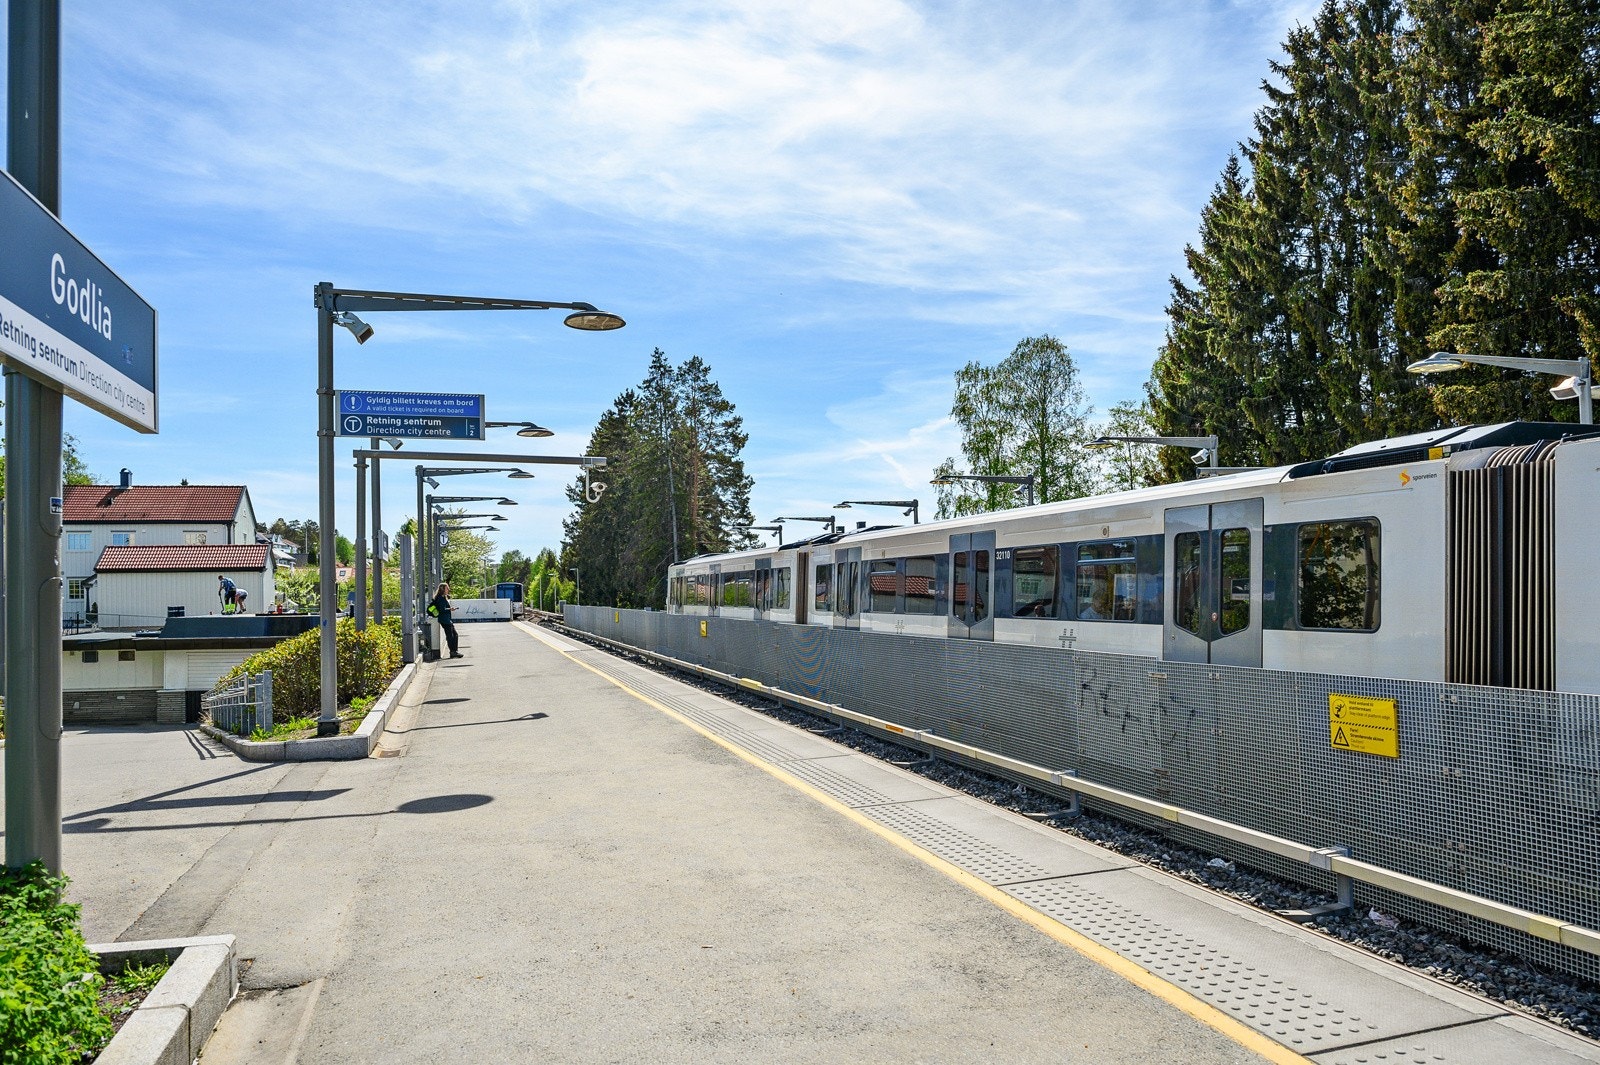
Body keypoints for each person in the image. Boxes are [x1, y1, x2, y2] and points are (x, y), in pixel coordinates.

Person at [430, 581, 462, 659]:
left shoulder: (442, 597)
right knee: (451, 636)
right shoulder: (441, 598)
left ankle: (454, 651)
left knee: (453, 635)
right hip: (445, 620)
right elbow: (442, 609)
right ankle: (453, 652)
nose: (448, 590)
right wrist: (450, 609)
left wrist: (449, 609)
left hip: (446, 619)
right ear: (443, 589)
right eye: (447, 588)